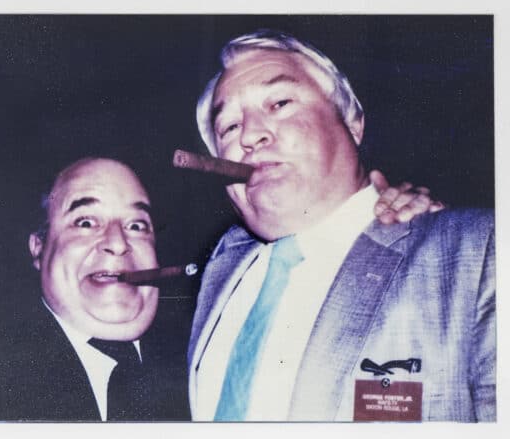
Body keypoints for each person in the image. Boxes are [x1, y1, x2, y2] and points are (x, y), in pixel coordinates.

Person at [188, 30, 495, 422]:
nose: (248, 135)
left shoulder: (479, 253)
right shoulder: (217, 270)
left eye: (279, 102)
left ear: (351, 123)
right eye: (228, 127)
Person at [0, 157, 190, 421]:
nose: (118, 243)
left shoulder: (203, 369)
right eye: (86, 222)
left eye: (136, 225)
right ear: (38, 247)